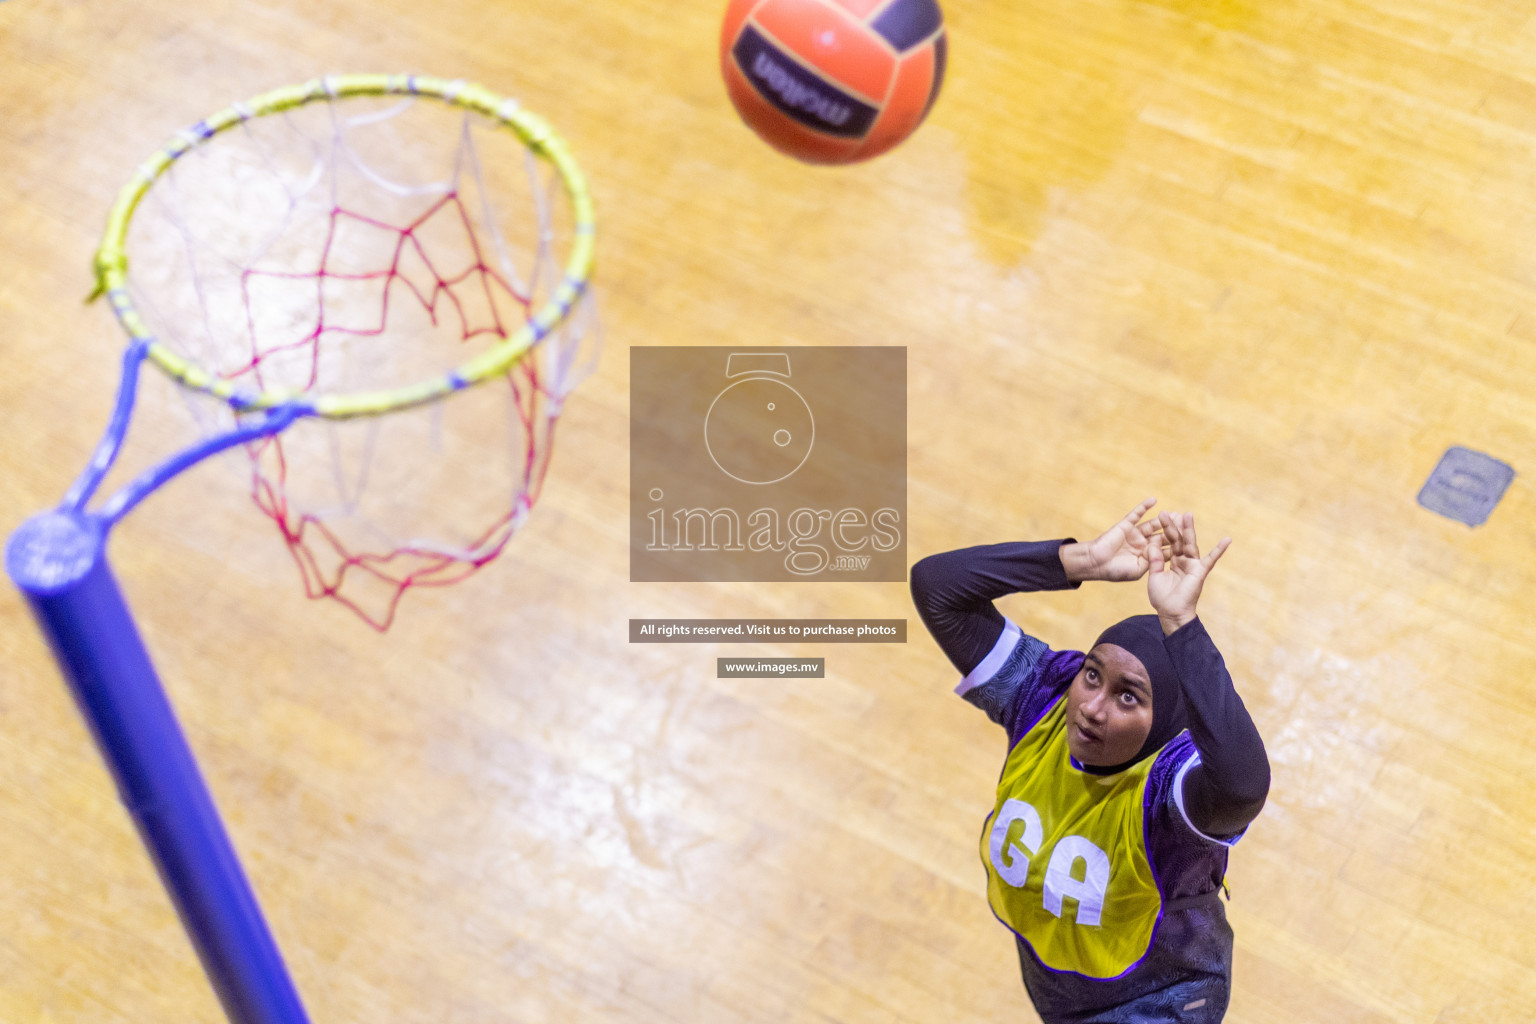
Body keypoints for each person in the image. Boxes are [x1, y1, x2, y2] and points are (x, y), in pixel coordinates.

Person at [909, 498, 1269, 1023]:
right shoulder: (1043, 699)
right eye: (1093, 675)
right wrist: (1081, 563)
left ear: (1165, 722)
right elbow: (938, 587)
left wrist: (1182, 625)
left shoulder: (1174, 794)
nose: (1092, 708)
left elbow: (1243, 785)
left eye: (1129, 697)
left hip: (1160, 1001)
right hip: (1058, 982)